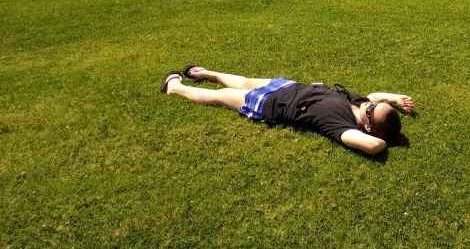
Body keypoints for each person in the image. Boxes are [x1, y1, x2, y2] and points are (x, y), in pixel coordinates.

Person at [160, 66, 415, 155]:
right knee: (244, 79)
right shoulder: (360, 104)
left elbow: (373, 146)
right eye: (372, 104)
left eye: (371, 110)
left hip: (272, 105)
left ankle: (175, 88)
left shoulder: (342, 125)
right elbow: (373, 97)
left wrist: (383, 140)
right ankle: (207, 73)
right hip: (287, 87)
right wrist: (390, 99)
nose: (368, 104)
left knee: (221, 97)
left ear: (368, 127)